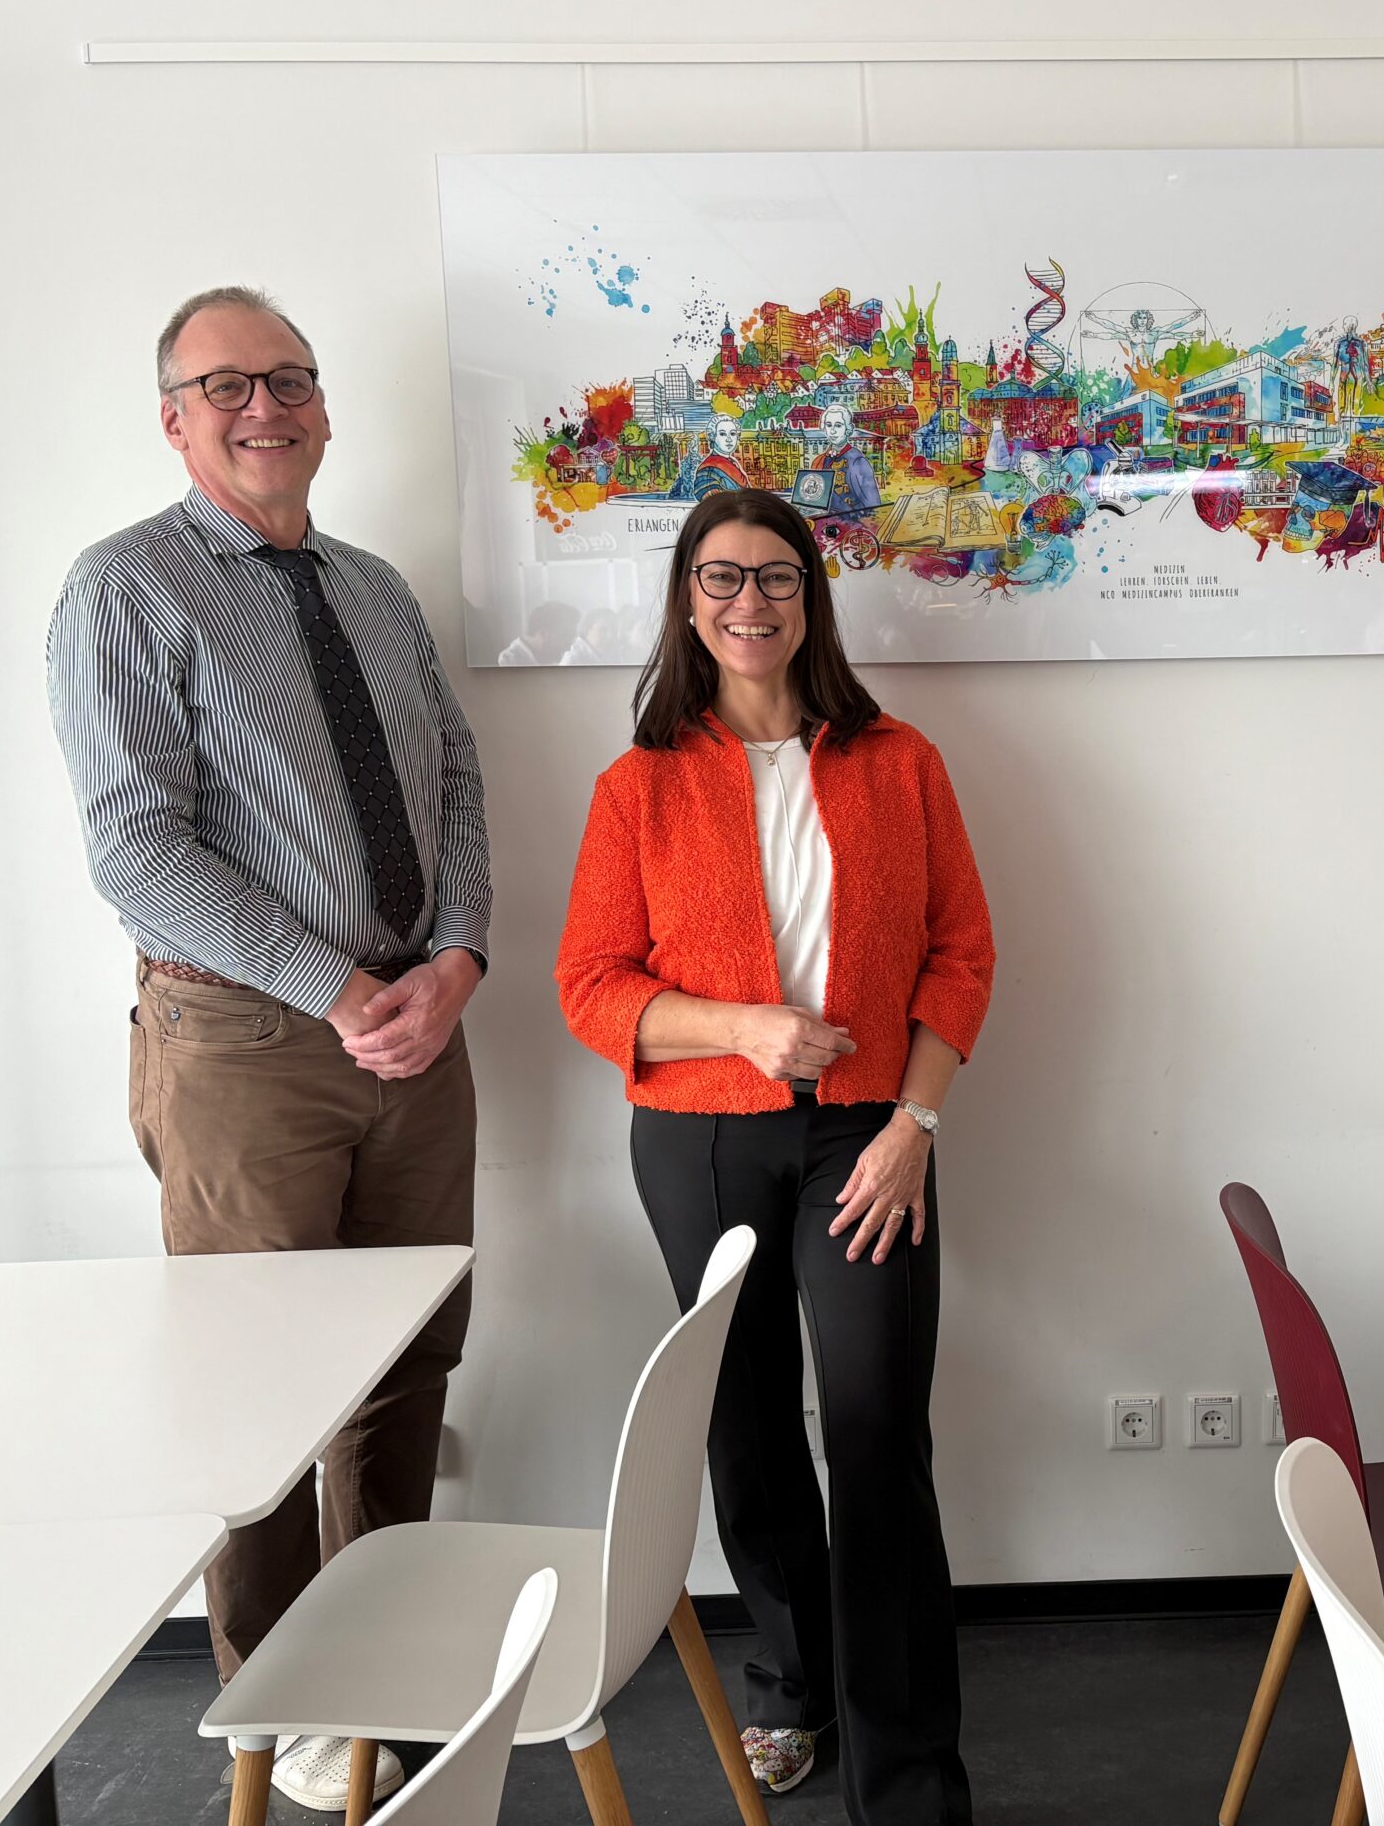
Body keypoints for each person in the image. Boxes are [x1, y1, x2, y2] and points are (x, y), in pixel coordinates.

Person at [46, 285, 491, 1814]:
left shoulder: (372, 589)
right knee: (257, 1394)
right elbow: (135, 850)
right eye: (226, 383)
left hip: (417, 1027)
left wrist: (457, 960)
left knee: (407, 1361)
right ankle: (287, 1707)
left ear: (321, 405)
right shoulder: (126, 590)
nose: (265, 404)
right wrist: (328, 985)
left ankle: (392, 1661)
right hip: (242, 1041)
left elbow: (452, 777)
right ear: (172, 417)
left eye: (289, 377)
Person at [556, 487, 994, 1825]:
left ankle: (910, 1775)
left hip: (867, 1137)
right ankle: (789, 1682)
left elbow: (960, 956)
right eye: (722, 580)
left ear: (813, 599)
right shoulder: (638, 785)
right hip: (696, 1141)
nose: (751, 604)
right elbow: (590, 986)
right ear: (689, 603)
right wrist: (740, 1024)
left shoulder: (899, 762)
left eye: (777, 580)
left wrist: (914, 1126)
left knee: (872, 1431)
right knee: (744, 1426)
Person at [497, 598, 581, 666]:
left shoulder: (547, 660)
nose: (569, 648)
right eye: (565, 636)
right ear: (543, 634)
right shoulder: (507, 665)